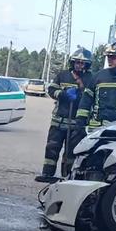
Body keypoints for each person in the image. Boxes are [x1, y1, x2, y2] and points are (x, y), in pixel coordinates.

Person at [35, 47, 96, 183]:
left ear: (87, 65)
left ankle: (66, 177)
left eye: (82, 63)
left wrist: (80, 92)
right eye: (77, 62)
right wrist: (63, 94)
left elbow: (90, 97)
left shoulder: (91, 79)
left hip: (75, 124)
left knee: (70, 153)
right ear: (72, 62)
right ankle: (47, 174)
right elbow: (51, 89)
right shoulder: (63, 75)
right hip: (58, 120)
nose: (79, 65)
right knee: (52, 148)